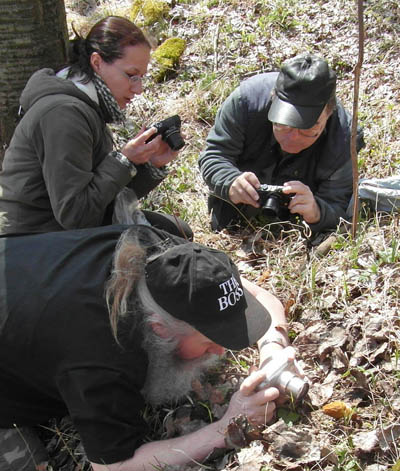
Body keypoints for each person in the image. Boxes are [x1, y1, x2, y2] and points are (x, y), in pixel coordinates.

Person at [0, 224, 294, 471]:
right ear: (159, 329)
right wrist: (225, 429)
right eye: (209, 341)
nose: (221, 351)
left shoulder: (167, 256)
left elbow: (258, 294)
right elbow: (113, 466)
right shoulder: (103, 357)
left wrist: (273, 349)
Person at [0, 16, 191, 239]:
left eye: (141, 78)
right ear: (97, 62)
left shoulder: (87, 107)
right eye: (131, 76)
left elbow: (102, 199)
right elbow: (77, 216)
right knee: (170, 249)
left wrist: (148, 164)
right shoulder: (64, 114)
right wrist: (124, 161)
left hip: (57, 230)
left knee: (177, 232)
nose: (138, 89)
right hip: (30, 241)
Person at [199, 53, 365, 234]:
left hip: (298, 230)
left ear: (329, 112)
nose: (292, 138)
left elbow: (339, 205)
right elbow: (214, 155)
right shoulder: (246, 102)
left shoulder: (343, 137)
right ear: (273, 98)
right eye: (283, 125)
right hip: (235, 213)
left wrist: (316, 211)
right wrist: (230, 181)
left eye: (307, 129)